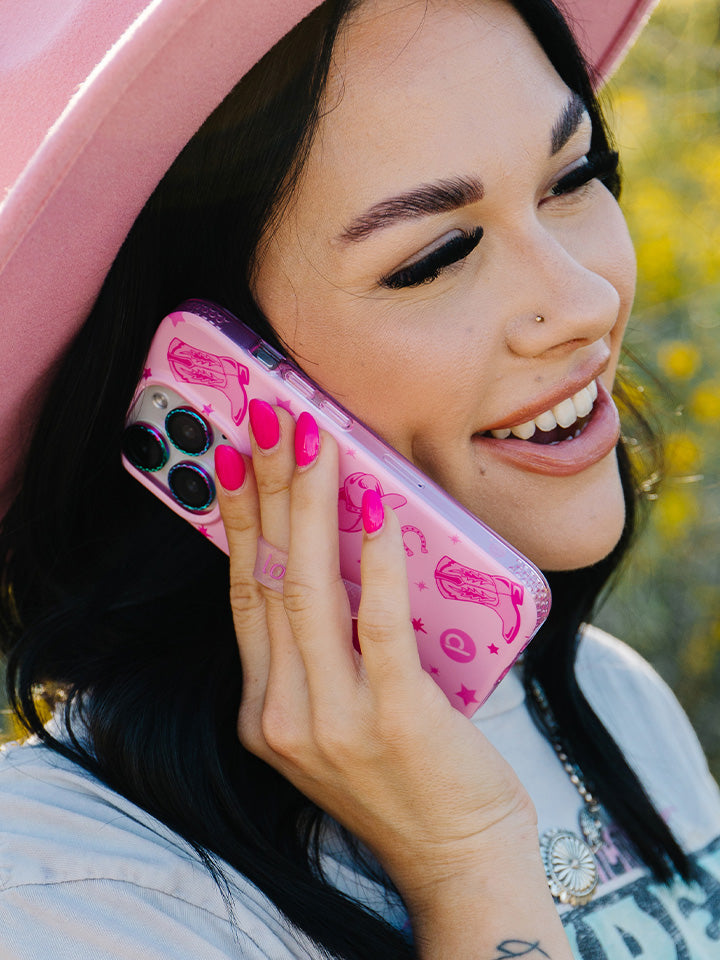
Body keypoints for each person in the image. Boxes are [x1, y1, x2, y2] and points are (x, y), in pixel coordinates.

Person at [0, 0, 719, 957]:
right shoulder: (72, 896)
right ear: (216, 385)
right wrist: (466, 872)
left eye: (573, 176)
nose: (587, 299)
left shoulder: (603, 698)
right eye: (436, 256)